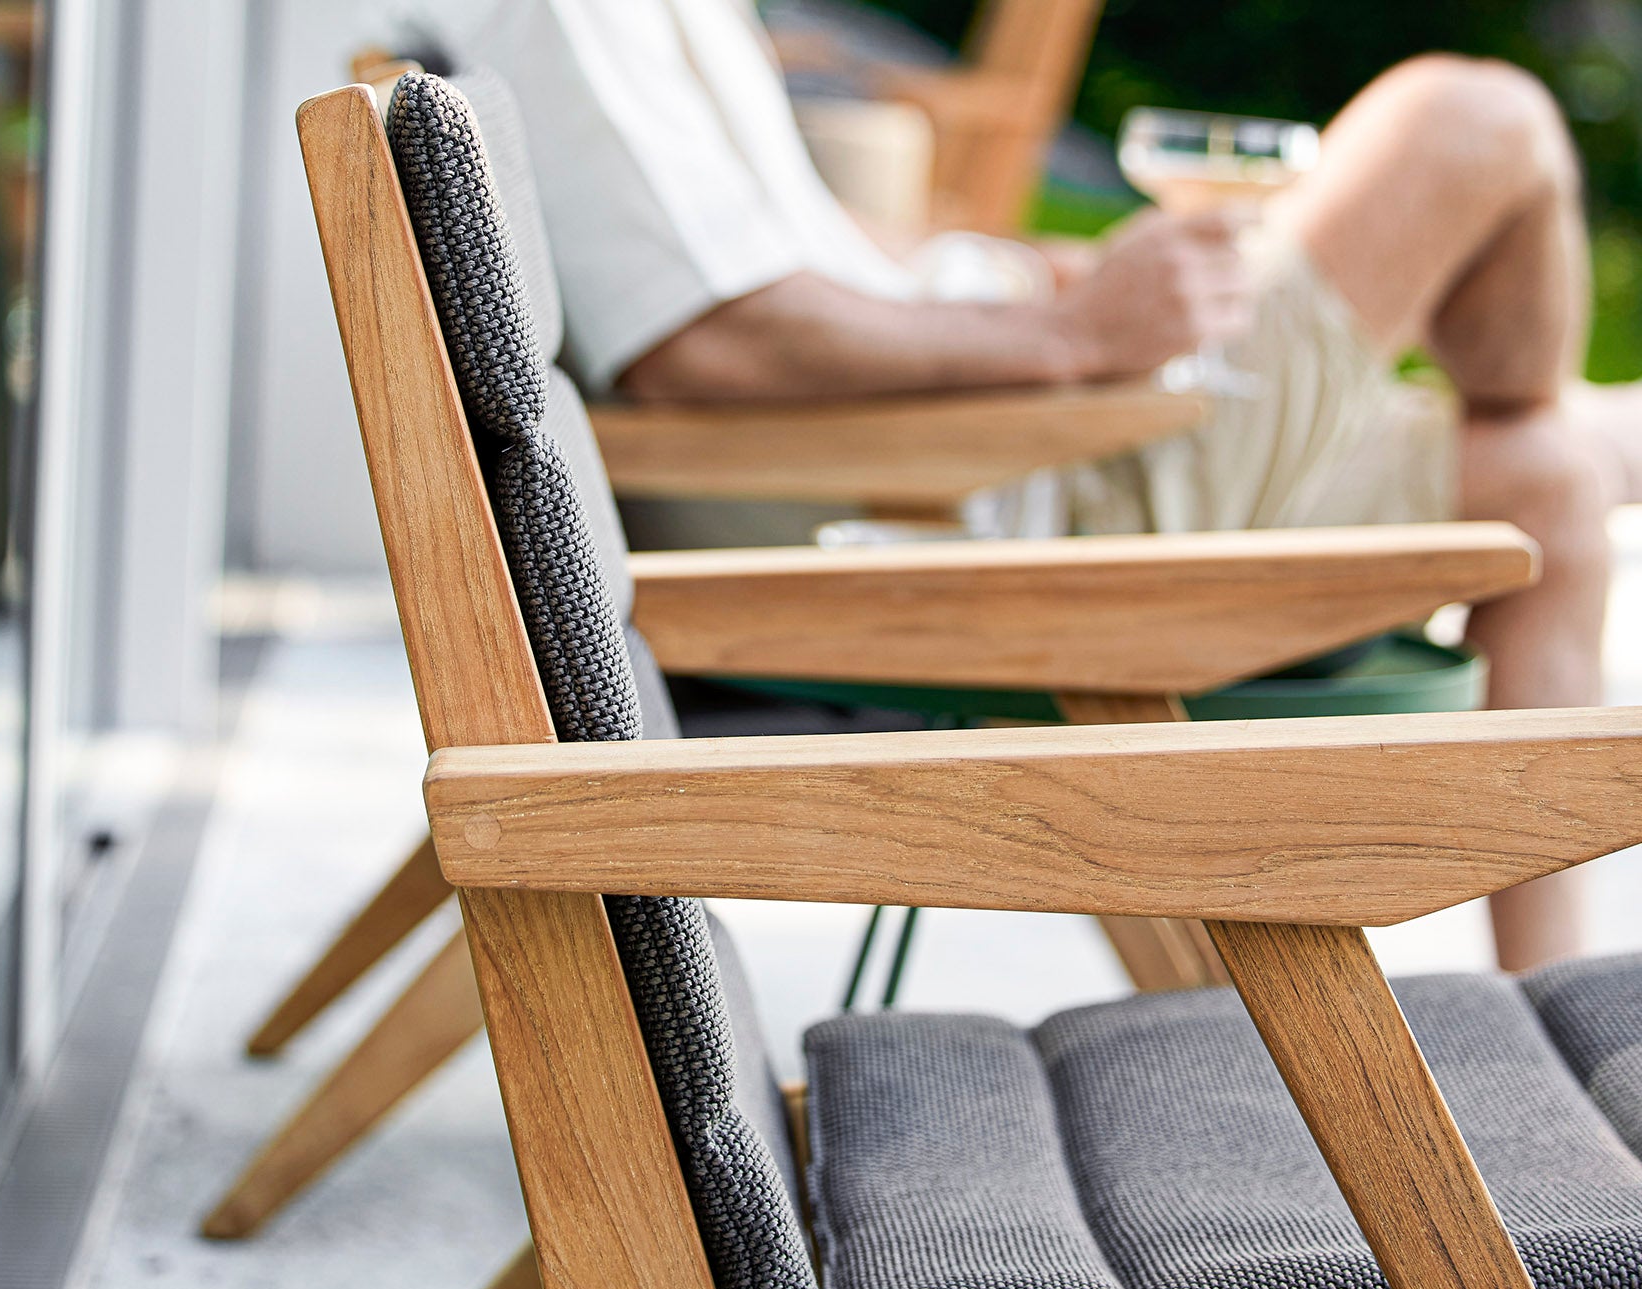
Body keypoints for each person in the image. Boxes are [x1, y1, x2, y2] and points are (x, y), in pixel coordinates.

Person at [424, 0, 1640, 972]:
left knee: (1546, 484)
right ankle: (1567, 405)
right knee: (1475, 117)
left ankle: (1538, 1021)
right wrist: (1068, 339)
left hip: (1012, 450)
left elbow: (780, 262)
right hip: (998, 499)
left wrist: (1021, 280)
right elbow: (709, 345)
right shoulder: (565, 15)